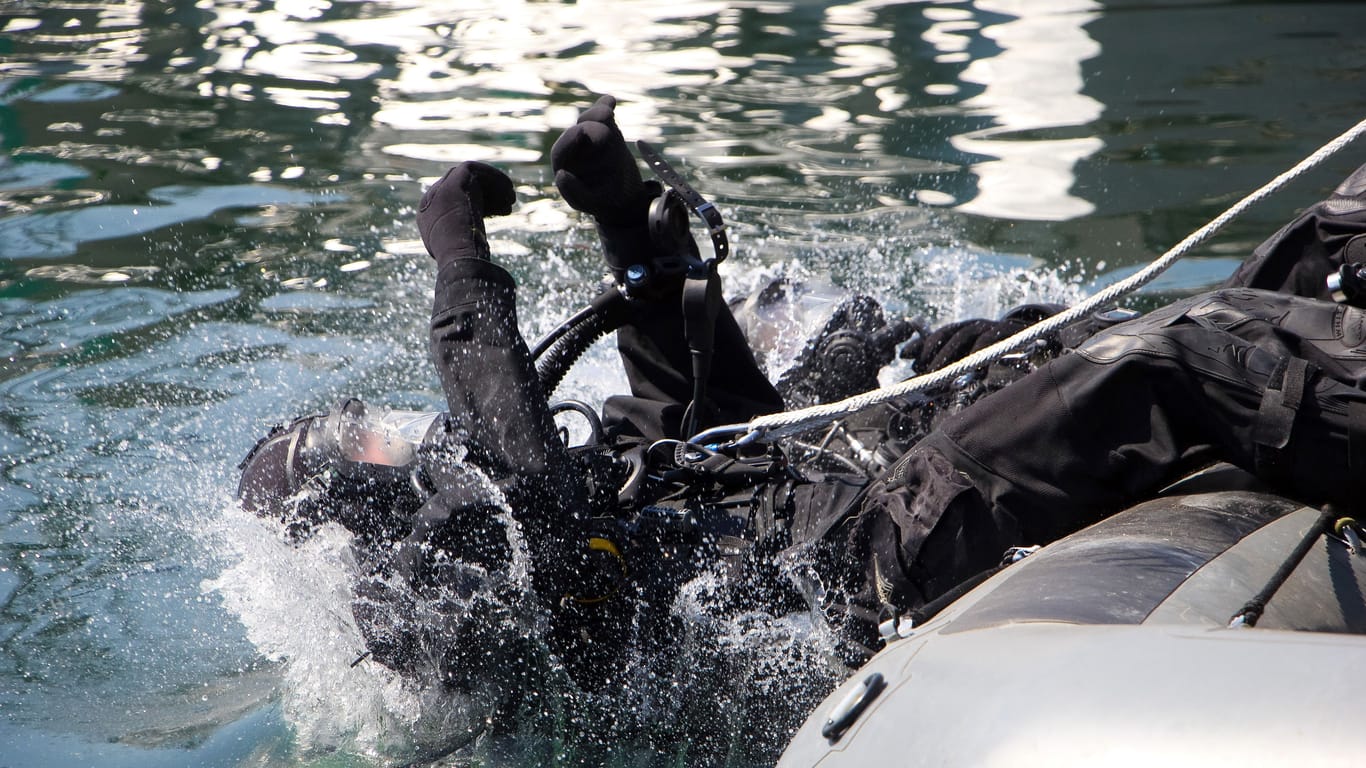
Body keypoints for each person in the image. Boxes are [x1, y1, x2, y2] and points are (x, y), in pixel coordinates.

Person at [238, 94, 1366, 688]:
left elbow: (712, 424)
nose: (382, 428)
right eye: (353, 439)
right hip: (844, 575)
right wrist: (459, 259)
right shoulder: (470, 587)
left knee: (1259, 271)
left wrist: (622, 219)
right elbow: (527, 473)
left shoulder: (531, 506)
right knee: (1155, 366)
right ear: (353, 499)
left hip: (843, 499)